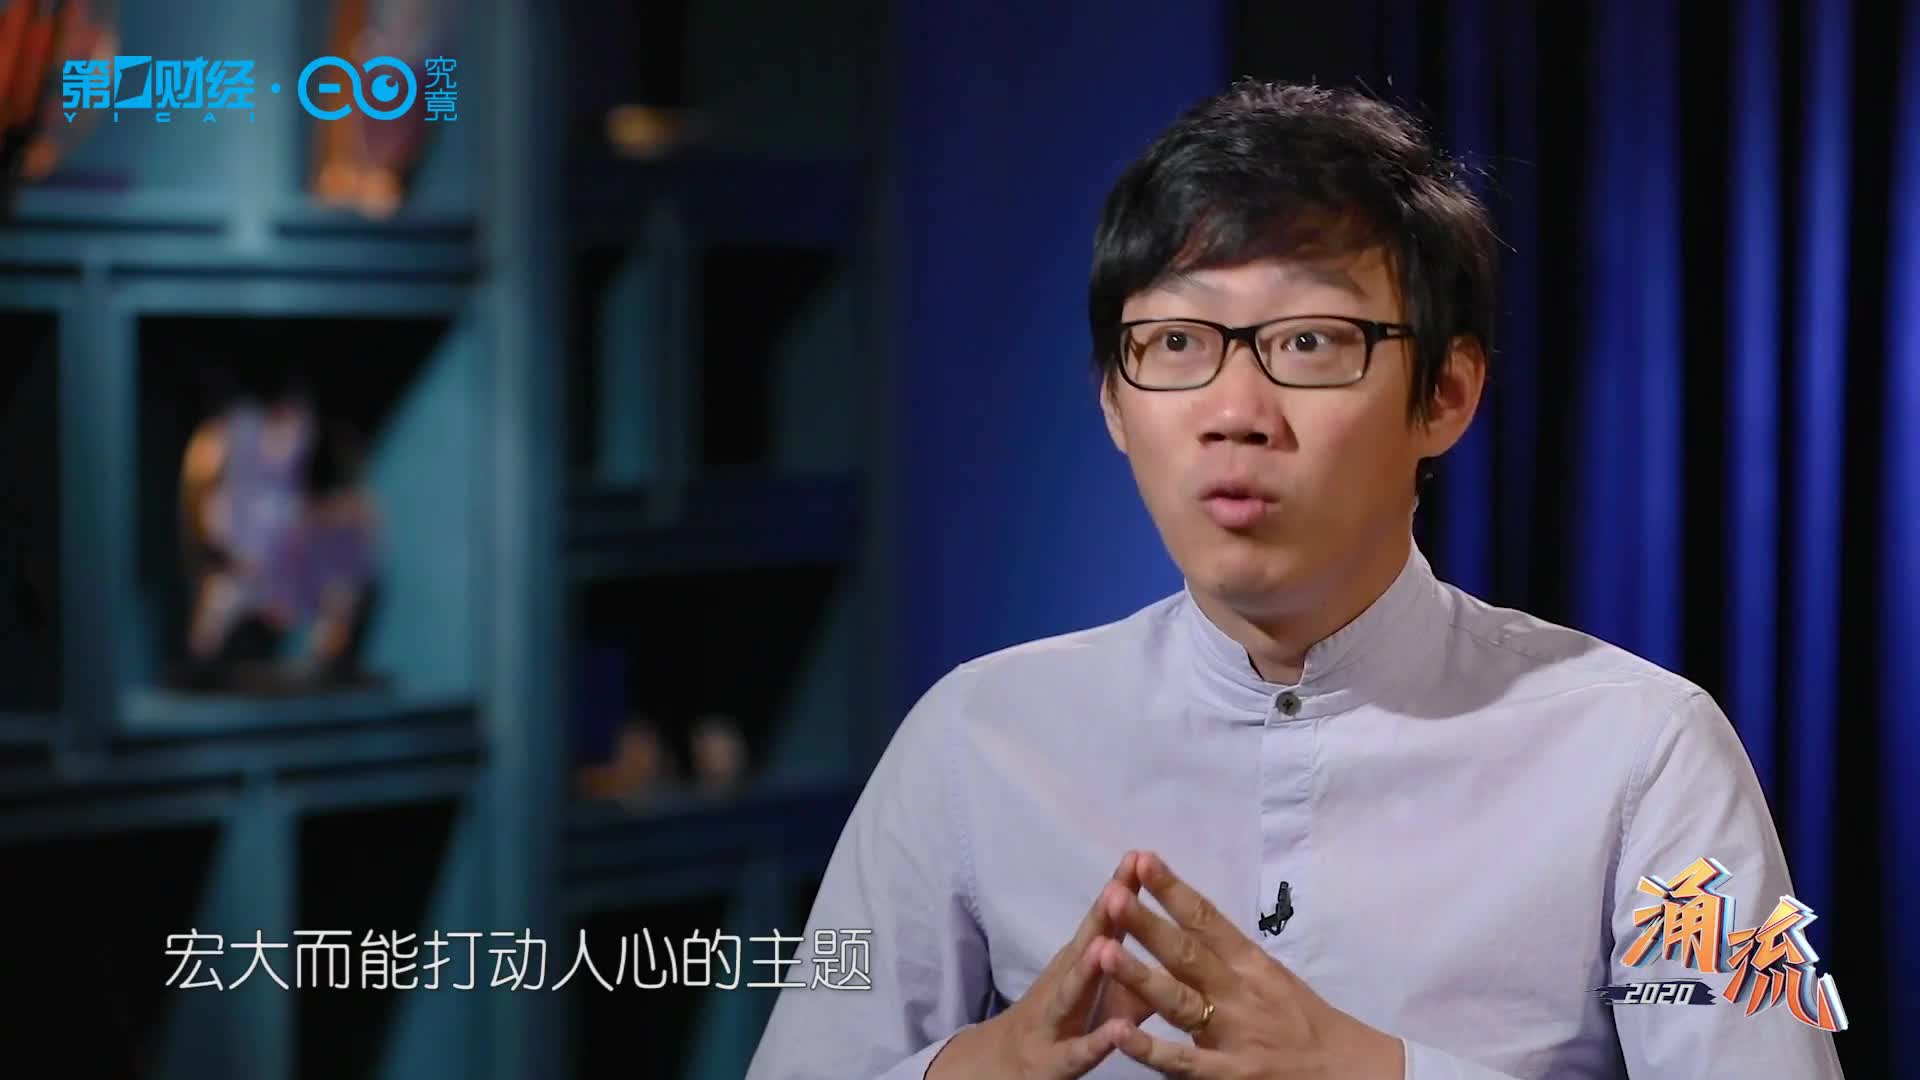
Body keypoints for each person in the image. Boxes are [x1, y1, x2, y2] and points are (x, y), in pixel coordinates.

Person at [743, 80, 1848, 1080]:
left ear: (1447, 395)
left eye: (1311, 343)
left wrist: (1369, 1072)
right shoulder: (977, 735)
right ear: (1114, 401)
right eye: (1176, 344)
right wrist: (982, 1067)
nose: (1235, 413)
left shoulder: (1643, 750)